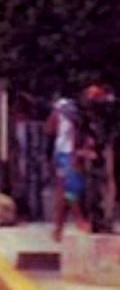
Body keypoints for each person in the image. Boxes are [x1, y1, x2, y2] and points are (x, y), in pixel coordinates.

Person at [45, 95, 87, 241]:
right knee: (67, 191)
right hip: (64, 155)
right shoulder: (71, 120)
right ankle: (76, 220)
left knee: (67, 192)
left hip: (66, 155)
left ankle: (62, 226)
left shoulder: (65, 119)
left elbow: (48, 130)